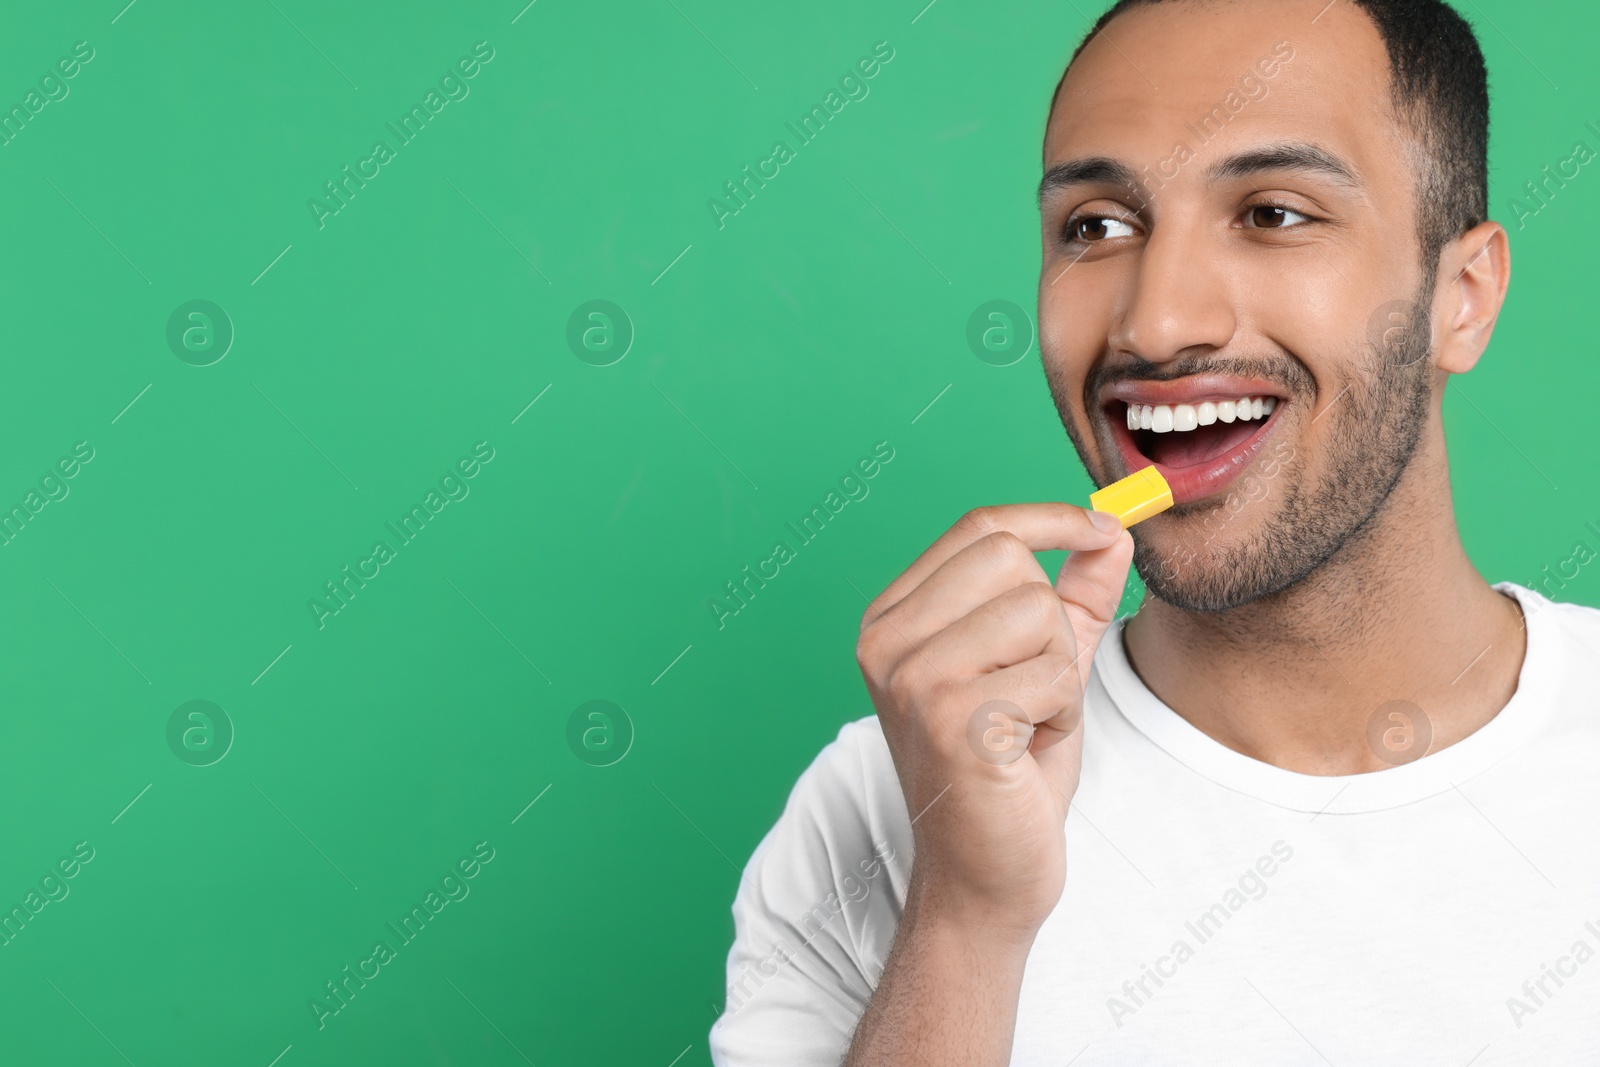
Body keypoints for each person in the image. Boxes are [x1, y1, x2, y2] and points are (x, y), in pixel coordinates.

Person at [710, 0, 1600, 1062]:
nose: (1154, 323)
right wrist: (964, 918)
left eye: (1272, 213)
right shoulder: (877, 804)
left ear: (1460, 296)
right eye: (1095, 227)